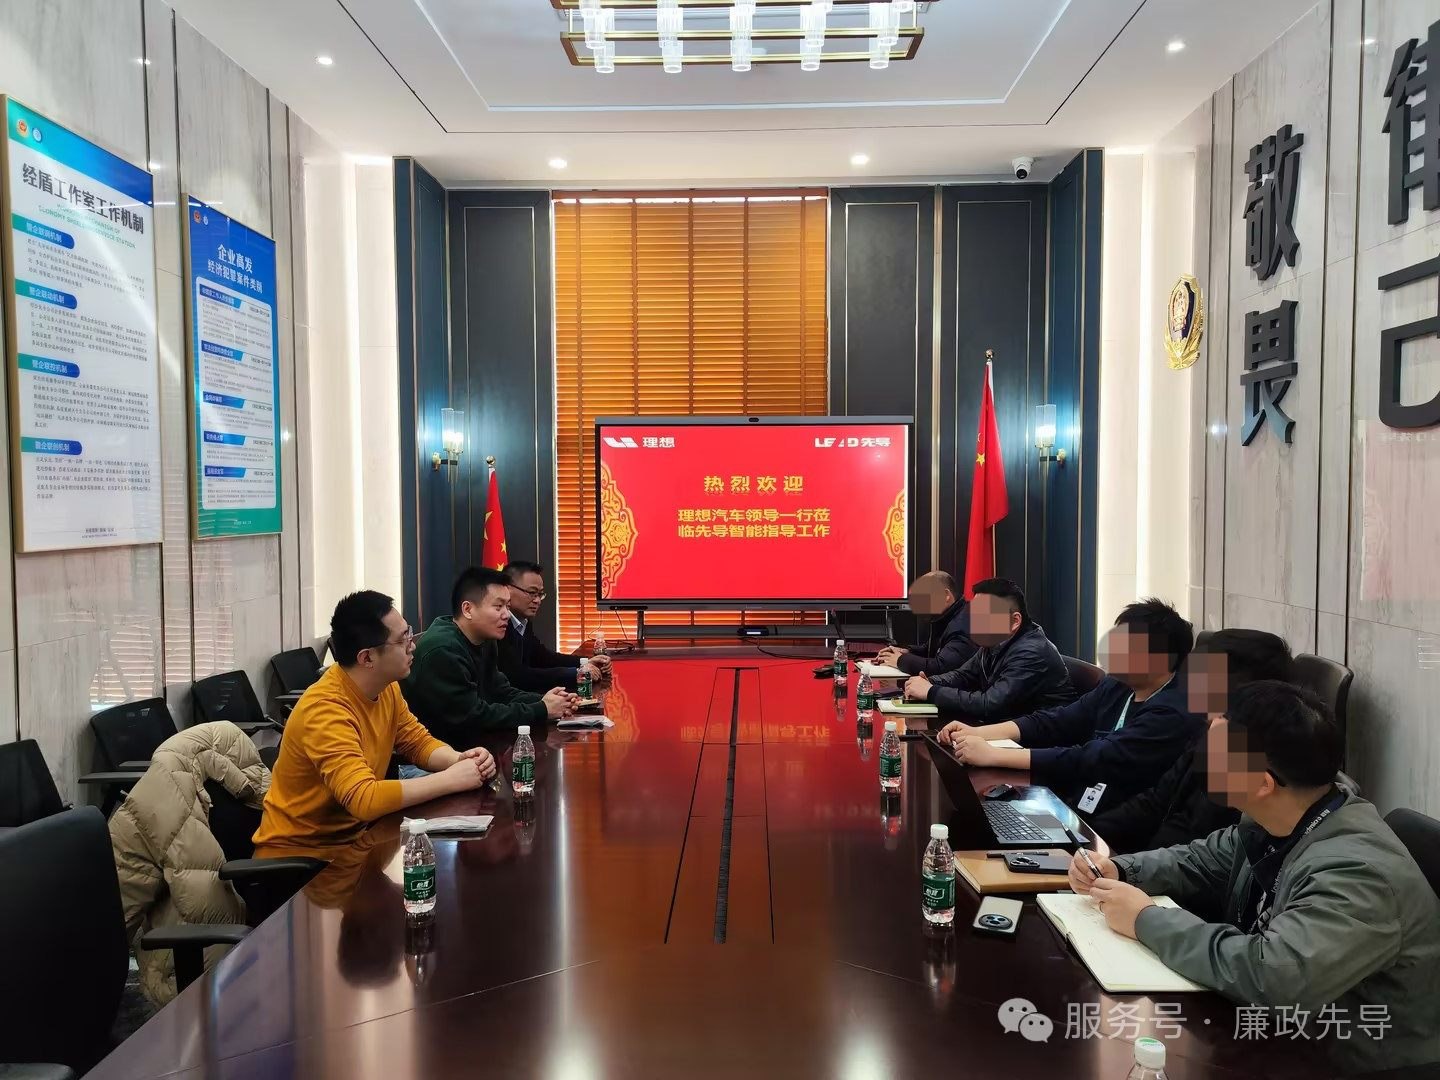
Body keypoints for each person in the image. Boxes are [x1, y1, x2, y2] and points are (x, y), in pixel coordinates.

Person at [1070, 682, 1440, 1075]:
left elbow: (1273, 977)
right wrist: (1123, 869)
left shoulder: (1359, 875)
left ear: (1262, 783)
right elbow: (1203, 859)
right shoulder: (1281, 817)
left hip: (1352, 1062)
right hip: (1278, 1034)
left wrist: (1146, 919)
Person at [252, 590, 497, 858]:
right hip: (303, 859)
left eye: (409, 633)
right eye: (402, 640)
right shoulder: (325, 709)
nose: (413, 645)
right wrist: (450, 779)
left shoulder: (386, 687)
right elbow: (363, 798)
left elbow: (417, 742)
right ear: (367, 658)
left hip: (355, 842)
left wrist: (459, 759)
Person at [936, 598, 1201, 816]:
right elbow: (1058, 721)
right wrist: (978, 733)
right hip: (1078, 798)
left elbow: (1093, 758)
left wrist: (994, 756)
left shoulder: (1172, 712)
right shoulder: (1118, 685)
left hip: (1119, 820)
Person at [1087, 628, 1294, 856]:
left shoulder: (1246, 763)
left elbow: (1197, 852)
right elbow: (1155, 801)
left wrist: (1127, 868)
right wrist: (1088, 838)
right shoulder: (1206, 730)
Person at [400, 566, 575, 751]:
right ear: (468, 609)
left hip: (472, 745)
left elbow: (500, 691)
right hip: (438, 752)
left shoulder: (485, 639)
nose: (507, 615)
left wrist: (550, 701)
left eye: (508, 607)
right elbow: (473, 716)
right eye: (498, 607)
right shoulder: (443, 650)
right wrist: (541, 709)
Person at [901, 578, 1074, 721]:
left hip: (1044, 742)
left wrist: (931, 691)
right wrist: (928, 682)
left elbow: (990, 705)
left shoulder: (1031, 652)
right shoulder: (994, 641)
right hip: (1007, 729)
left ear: (1015, 621)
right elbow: (963, 675)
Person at [498, 559, 610, 693]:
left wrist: (586, 662)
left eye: (540, 594)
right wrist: (576, 673)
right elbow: (516, 676)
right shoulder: (499, 625)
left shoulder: (523, 622)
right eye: (532, 593)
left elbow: (544, 657)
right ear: (507, 589)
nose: (537, 600)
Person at [873, 570, 977, 676]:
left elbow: (942, 667)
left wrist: (900, 660)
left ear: (946, 595)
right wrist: (905, 652)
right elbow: (930, 650)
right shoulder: (947, 617)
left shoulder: (965, 625)